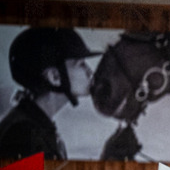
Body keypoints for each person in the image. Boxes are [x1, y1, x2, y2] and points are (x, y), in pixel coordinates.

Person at [0, 27, 100, 160]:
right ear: (54, 77)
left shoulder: (32, 125)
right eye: (81, 64)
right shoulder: (24, 135)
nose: (89, 71)